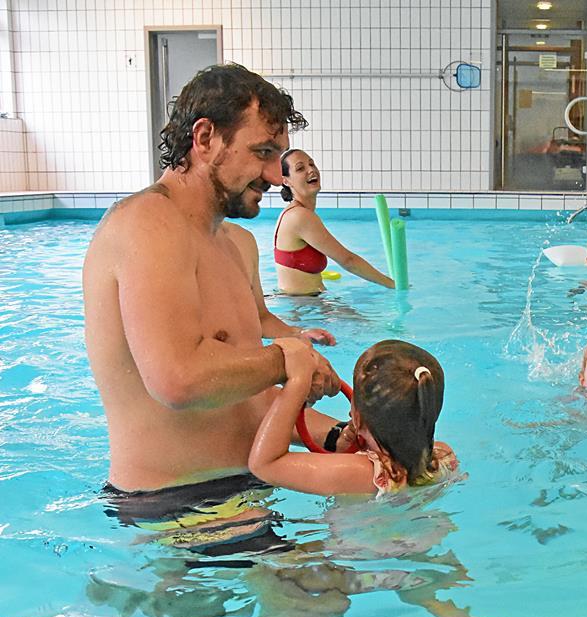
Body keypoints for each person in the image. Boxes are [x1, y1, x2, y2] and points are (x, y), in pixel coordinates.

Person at [83, 63, 345, 494]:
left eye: (278, 159)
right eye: (262, 153)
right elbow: (178, 379)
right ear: (205, 138)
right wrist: (288, 359)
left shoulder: (235, 244)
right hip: (175, 510)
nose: (276, 177)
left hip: (243, 495)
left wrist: (343, 436)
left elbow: (247, 395)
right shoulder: (148, 224)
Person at [250, 339, 459, 496]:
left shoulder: (357, 473)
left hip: (359, 553)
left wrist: (297, 381)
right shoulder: (444, 456)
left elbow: (264, 464)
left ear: (356, 416)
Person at [274, 149, 396, 295]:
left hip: (306, 303)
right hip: (302, 308)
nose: (311, 170)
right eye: (300, 168)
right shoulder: (299, 216)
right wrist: (393, 284)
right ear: (286, 181)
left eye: (311, 164)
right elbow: (348, 260)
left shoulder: (294, 212)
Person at [222, 221, 336, 345]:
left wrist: (298, 333)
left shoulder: (242, 238)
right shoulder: (198, 247)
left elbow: (261, 317)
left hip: (250, 359)